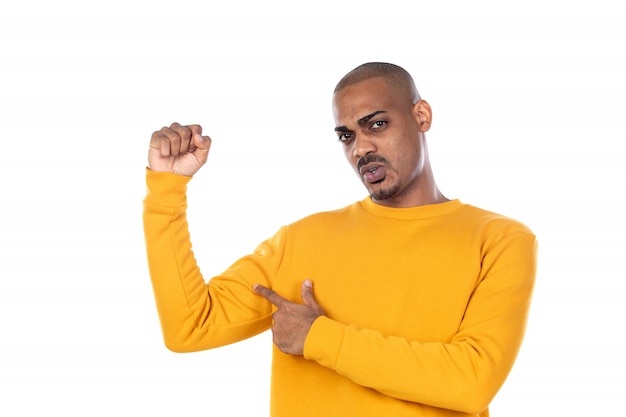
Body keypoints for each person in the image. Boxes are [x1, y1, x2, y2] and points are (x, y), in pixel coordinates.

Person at [143, 62, 537, 417]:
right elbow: (190, 326)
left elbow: (470, 382)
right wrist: (167, 189)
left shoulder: (499, 239)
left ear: (421, 115)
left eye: (377, 124)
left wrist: (319, 337)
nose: (361, 148)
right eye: (346, 136)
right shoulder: (302, 239)